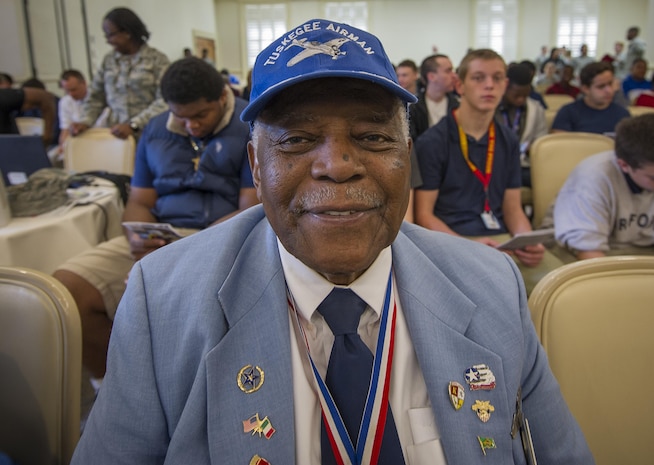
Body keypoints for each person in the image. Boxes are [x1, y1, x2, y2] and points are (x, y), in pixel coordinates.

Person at [69, 20, 593, 465]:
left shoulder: (491, 285)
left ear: (407, 157)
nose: (337, 165)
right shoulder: (162, 302)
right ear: (256, 165)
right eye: (296, 139)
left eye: (372, 137)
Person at [53, 57, 259, 390]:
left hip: (221, 236)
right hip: (160, 235)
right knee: (68, 289)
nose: (190, 125)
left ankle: (183, 395)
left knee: (179, 302)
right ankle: (118, 390)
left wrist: (185, 251)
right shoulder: (155, 129)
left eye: (200, 116)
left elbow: (251, 209)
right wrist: (138, 236)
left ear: (223, 96)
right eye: (181, 116)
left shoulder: (250, 125)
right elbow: (139, 201)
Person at [414, 49, 564, 295]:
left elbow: (513, 208)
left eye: (497, 78)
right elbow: (424, 217)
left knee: (560, 287)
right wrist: (469, 246)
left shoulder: (507, 139)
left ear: (505, 85)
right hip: (453, 241)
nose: (489, 86)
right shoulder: (433, 142)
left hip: (502, 242)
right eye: (478, 78)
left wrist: (527, 240)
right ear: (460, 85)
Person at [554, 113, 654, 260]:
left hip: (641, 250)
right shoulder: (592, 178)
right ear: (624, 165)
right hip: (590, 253)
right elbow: (589, 252)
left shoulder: (645, 171)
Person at [70, 7, 169, 140]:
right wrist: (85, 121)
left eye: (110, 35)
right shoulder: (109, 61)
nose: (108, 41)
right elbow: (96, 96)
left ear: (127, 32)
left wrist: (134, 125)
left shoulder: (157, 60)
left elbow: (165, 101)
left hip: (151, 135)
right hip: (117, 136)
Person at [496, 63, 548, 186]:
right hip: (494, 163)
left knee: (544, 180)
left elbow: (541, 138)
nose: (521, 99)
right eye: (516, 95)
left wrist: (533, 147)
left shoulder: (536, 109)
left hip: (523, 163)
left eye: (525, 95)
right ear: (505, 87)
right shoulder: (490, 107)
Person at [552, 61, 630, 134]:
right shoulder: (567, 113)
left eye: (610, 84)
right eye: (601, 86)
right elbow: (559, 145)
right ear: (585, 89)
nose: (609, 90)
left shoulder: (623, 115)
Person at [408, 54, 458, 141]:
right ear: (431, 76)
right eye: (448, 71)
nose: (454, 76)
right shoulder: (413, 109)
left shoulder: (457, 106)